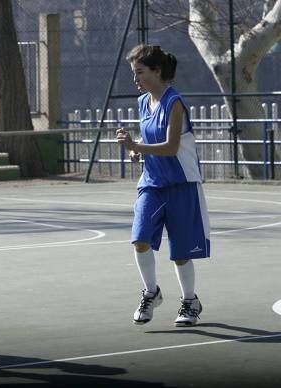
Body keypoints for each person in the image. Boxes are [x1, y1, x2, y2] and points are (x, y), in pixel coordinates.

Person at [116, 44, 210, 327]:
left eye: (140, 72)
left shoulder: (174, 102)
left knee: (181, 253)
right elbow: (148, 146)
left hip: (181, 183)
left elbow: (170, 147)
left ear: (157, 71)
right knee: (140, 238)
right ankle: (151, 292)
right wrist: (135, 151)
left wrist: (137, 145)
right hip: (152, 184)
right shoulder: (143, 102)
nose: (135, 80)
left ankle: (190, 302)